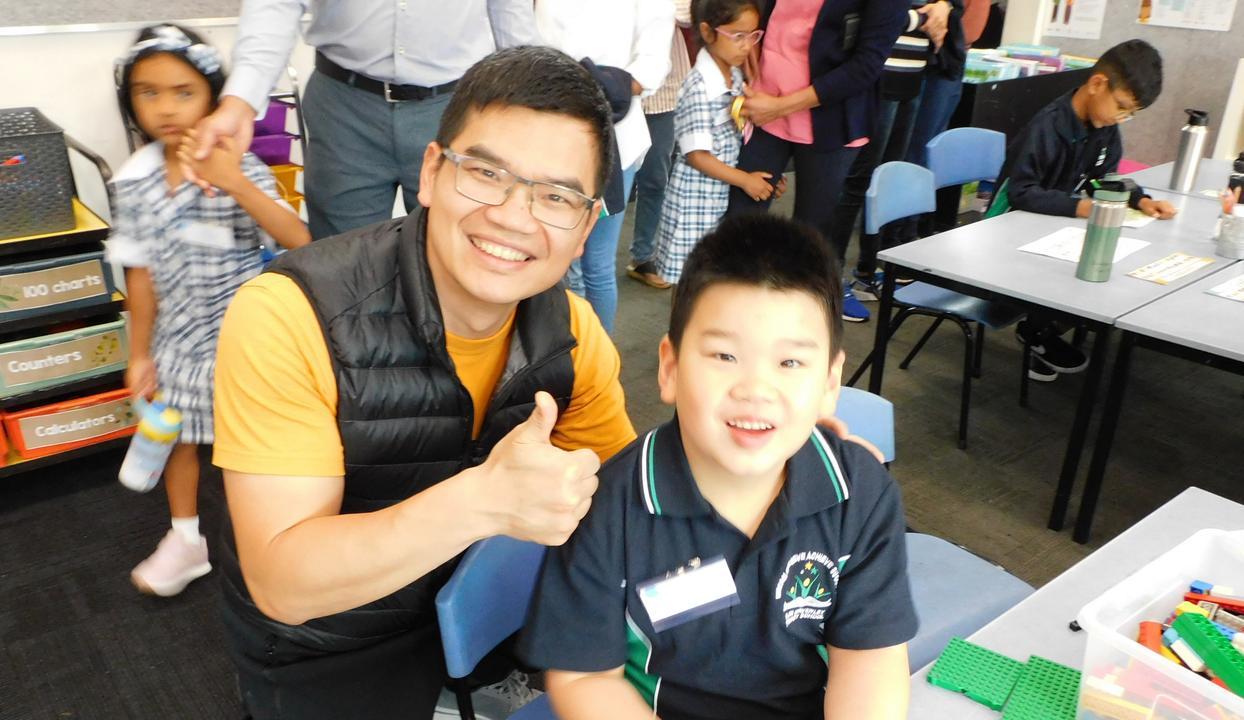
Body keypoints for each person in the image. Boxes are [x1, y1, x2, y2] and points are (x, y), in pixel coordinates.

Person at [211, 47, 636, 718]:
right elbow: (283, 583)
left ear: (585, 228)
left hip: (500, 629)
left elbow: (626, 501)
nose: (514, 215)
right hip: (333, 646)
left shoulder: (574, 332)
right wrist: (484, 503)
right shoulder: (291, 314)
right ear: (432, 171)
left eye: (556, 196)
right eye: (487, 172)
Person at [519, 213, 918, 720]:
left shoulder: (861, 491)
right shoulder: (608, 505)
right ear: (670, 368)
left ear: (830, 382)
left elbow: (870, 657)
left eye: (790, 363)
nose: (755, 390)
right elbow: (585, 676)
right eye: (725, 355)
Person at [105, 24, 311, 598]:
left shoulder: (239, 167)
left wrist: (235, 183)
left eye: (183, 91)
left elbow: (301, 240)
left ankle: (271, 539)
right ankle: (186, 538)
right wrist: (139, 352)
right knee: (176, 440)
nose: (166, 108)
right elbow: (140, 278)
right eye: (149, 93)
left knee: (254, 448)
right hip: (177, 338)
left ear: (214, 98)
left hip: (246, 335)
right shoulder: (135, 183)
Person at [187, 0, 538, 240]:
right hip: (345, 107)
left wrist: (531, 103)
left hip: (456, 105)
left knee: (461, 249)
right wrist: (241, 102)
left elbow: (509, 9)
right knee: (344, 263)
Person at [990, 39, 1177, 381]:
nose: (1123, 118)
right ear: (1097, 84)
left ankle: (1045, 328)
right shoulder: (1047, 126)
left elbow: (1108, 178)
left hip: (1051, 227)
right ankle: (1037, 331)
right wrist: (1084, 207)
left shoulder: (1105, 128)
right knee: (1081, 275)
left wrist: (1141, 200)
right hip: (1007, 231)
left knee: (1108, 263)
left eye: (1131, 114)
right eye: (1121, 107)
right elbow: (1021, 194)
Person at [724, 0, 909, 264]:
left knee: (808, 236)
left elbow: (867, 65)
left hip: (829, 118)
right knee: (740, 221)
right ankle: (733, 297)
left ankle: (799, 301)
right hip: (764, 103)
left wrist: (780, 107)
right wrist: (751, 55)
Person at [536, 0, 675, 332]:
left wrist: (597, 84)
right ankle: (557, 355)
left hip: (614, 134)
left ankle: (597, 365)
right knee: (553, 257)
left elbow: (652, 66)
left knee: (594, 264)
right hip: (544, 127)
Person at [828, 2, 941, 323]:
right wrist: (922, 17)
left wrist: (942, 9)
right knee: (856, 182)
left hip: (913, 76)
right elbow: (871, 16)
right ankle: (830, 281)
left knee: (887, 183)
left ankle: (866, 271)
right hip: (878, 74)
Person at [650, 0, 775, 286]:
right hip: (694, 199)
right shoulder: (699, 86)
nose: (746, 45)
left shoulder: (733, 74)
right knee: (690, 280)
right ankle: (681, 331)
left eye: (753, 35)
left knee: (709, 277)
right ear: (707, 32)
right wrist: (745, 180)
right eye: (738, 36)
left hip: (716, 194)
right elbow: (697, 156)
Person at [627, 0, 694, 291]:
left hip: (664, 87)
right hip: (619, 81)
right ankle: (579, 260)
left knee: (655, 177)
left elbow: (688, 15)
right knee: (605, 183)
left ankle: (643, 256)